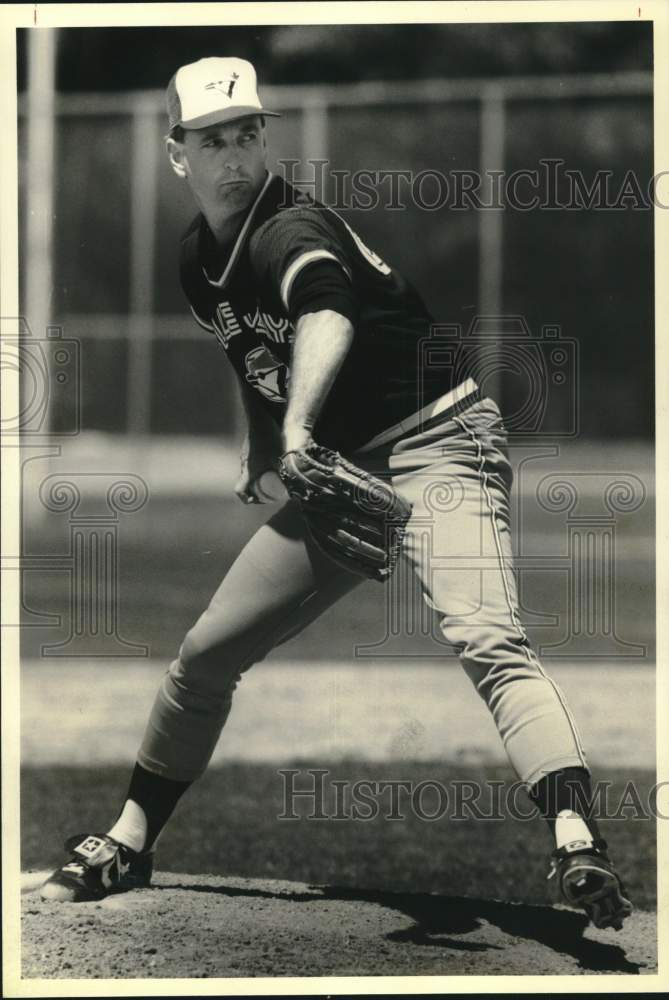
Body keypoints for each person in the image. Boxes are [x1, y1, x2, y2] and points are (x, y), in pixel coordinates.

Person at [41, 57, 631, 931]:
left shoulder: (289, 226)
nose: (234, 155)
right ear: (177, 155)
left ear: (264, 138)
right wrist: (260, 442)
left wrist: (296, 429)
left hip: (441, 443)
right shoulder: (199, 262)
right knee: (205, 653)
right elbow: (250, 349)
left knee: (484, 633)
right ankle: (129, 839)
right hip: (340, 470)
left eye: (247, 134)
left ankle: (577, 839)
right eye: (212, 140)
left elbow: (325, 313)